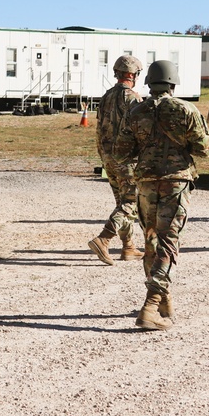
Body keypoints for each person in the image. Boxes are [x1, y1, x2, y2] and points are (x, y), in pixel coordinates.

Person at [113, 60, 209, 331]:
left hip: (145, 183)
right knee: (168, 243)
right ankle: (150, 305)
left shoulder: (136, 111)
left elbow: (121, 152)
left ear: (149, 82)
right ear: (173, 83)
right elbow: (204, 149)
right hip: (176, 184)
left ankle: (163, 301)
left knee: (151, 242)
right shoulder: (186, 110)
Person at [88, 55, 144, 264]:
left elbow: (99, 129)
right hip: (127, 160)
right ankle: (103, 239)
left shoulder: (106, 96)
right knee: (130, 203)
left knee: (121, 202)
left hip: (108, 158)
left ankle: (128, 247)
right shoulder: (132, 98)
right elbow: (141, 130)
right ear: (131, 74)